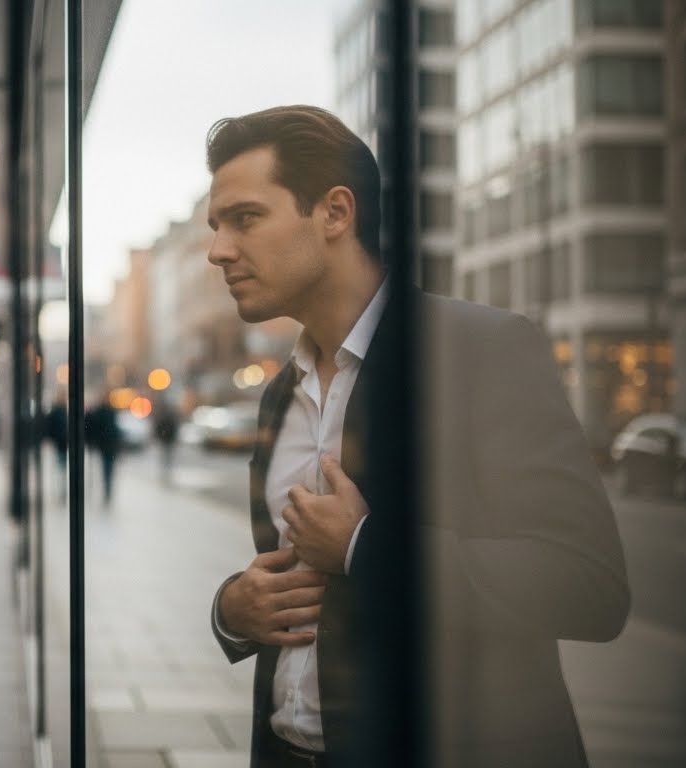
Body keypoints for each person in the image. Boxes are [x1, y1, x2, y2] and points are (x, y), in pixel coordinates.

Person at [204, 106, 629, 768]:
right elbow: (298, 596)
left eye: (245, 218)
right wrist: (233, 612)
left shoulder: (479, 351)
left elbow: (589, 587)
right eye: (216, 226)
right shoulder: (281, 393)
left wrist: (364, 546)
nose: (219, 250)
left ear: (335, 213)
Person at [83, 392, 122, 506]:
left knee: (108, 469)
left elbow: (111, 429)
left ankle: (107, 491)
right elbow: (94, 427)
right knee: (107, 469)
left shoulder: (108, 411)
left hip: (108, 445)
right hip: (105, 445)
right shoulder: (103, 412)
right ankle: (107, 490)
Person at [150, 396, 180, 486]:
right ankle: (166, 472)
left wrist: (159, 436)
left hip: (166, 439)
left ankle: (165, 472)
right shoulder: (170, 418)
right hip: (167, 439)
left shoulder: (163, 417)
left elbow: (159, 427)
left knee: (165, 457)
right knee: (167, 457)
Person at [43, 393, 68, 499]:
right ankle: (60, 490)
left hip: (62, 443)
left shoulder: (62, 411)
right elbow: (50, 427)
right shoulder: (57, 412)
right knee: (60, 467)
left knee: (61, 467)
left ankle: (62, 490)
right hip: (60, 442)